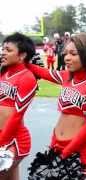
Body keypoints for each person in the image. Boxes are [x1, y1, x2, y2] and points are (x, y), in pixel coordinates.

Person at [27, 33, 86, 178]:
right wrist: (24, 58)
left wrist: (64, 153)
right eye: (65, 54)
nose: (67, 58)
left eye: (73, 54)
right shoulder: (66, 77)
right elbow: (40, 71)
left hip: (79, 151)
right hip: (56, 145)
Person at [0, 32, 37, 180]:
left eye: (8, 50)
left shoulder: (27, 78)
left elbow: (17, 116)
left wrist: (2, 143)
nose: (3, 52)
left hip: (13, 141)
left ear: (22, 55)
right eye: (3, 49)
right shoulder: (4, 73)